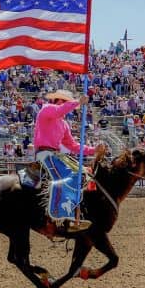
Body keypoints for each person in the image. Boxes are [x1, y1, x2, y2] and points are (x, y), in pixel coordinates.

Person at [33, 89, 107, 235]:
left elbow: (73, 146)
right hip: (45, 153)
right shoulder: (47, 109)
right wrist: (77, 102)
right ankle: (62, 215)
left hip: (55, 154)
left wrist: (93, 150)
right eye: (66, 103)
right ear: (60, 102)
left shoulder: (64, 124)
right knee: (70, 174)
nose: (68, 109)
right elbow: (59, 110)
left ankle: (76, 211)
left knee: (84, 173)